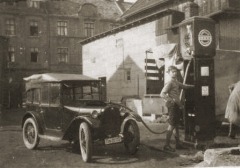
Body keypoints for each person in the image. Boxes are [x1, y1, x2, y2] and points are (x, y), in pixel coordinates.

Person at [160, 65, 194, 152]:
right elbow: (162, 94)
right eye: (173, 72)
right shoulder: (170, 83)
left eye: (175, 72)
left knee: (175, 125)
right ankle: (166, 145)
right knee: (171, 125)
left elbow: (184, 86)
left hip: (176, 106)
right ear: (169, 73)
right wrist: (171, 100)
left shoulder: (176, 82)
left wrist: (194, 86)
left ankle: (178, 144)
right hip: (172, 106)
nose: (175, 73)